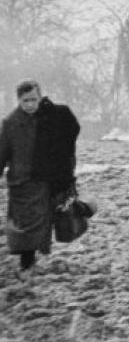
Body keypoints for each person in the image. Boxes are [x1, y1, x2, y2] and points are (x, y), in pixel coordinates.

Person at [0, 80, 81, 281]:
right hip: (21, 183)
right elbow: (2, 153)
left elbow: (71, 131)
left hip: (44, 181)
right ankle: (26, 263)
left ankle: (29, 262)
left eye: (33, 99)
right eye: (25, 100)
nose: (30, 105)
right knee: (24, 225)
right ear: (18, 100)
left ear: (40, 97)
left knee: (40, 224)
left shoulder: (49, 118)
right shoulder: (9, 123)